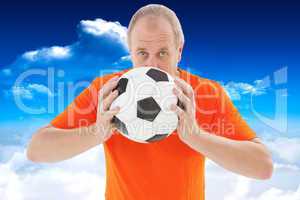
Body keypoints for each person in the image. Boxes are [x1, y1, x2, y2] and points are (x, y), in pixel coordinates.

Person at [27, 4, 273, 200]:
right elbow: (37, 150)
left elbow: (262, 167)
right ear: (130, 50)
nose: (152, 65)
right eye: (142, 53)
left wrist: (196, 136)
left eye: (163, 53)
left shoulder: (206, 92)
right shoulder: (109, 91)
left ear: (180, 50)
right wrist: (96, 132)